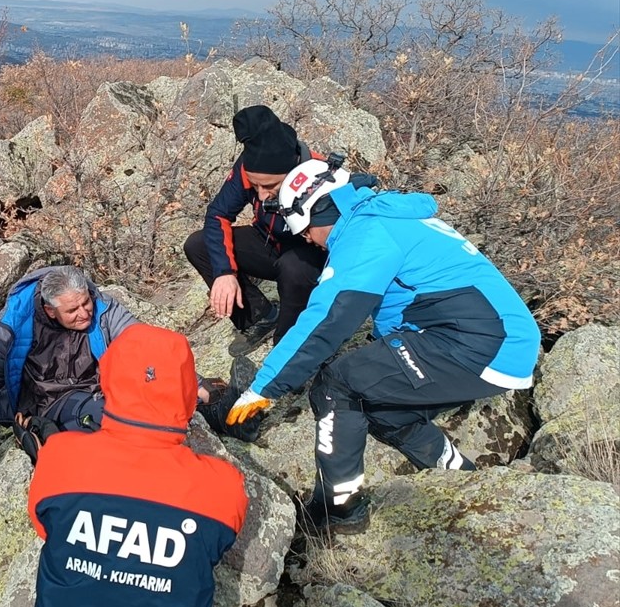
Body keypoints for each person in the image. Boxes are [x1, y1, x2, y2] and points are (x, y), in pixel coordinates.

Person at [225, 159, 541, 531]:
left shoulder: (367, 236)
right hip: (496, 339)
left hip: (479, 344)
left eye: (305, 229)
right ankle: (459, 475)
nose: (306, 239)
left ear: (320, 211)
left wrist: (264, 388)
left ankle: (337, 510)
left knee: (336, 385)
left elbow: (327, 321)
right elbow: (409, 299)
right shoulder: (382, 215)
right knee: (384, 408)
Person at [21, 324, 248, 607]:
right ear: (189, 393)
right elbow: (215, 545)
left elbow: (46, 528)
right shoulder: (224, 488)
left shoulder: (59, 459)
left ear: (107, 380)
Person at [0, 266, 214, 437]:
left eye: (86, 303)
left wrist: (196, 384)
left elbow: (144, 345)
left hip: (106, 385)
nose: (84, 313)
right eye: (72, 310)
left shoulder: (103, 308)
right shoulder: (13, 325)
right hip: (53, 400)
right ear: (50, 310)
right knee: (111, 419)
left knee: (167, 397)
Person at [183, 104, 328, 355]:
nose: (260, 194)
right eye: (254, 185)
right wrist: (224, 272)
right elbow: (218, 213)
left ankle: (289, 347)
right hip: (269, 241)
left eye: (269, 185)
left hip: (308, 256)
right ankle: (259, 317)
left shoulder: (321, 175)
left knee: (294, 268)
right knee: (199, 245)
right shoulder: (251, 164)